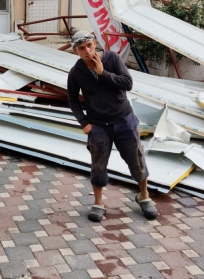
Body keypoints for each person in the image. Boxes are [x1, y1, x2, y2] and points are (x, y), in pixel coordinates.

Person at [67, 30, 158, 222]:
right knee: (98, 165)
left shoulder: (112, 59)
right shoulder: (76, 72)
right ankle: (99, 203)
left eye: (89, 45)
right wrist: (84, 123)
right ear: (76, 51)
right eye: (81, 48)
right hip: (98, 125)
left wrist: (103, 73)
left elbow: (127, 83)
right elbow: (73, 99)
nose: (87, 51)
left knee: (136, 158)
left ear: (94, 44)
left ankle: (144, 196)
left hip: (124, 119)